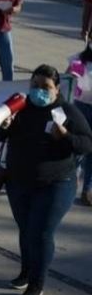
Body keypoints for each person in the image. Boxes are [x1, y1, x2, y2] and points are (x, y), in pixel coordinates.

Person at [0, 64, 92, 295]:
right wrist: (4, 127)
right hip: (19, 182)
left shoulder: (66, 111)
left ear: (57, 89)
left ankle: (37, 284)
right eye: (35, 85)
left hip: (56, 184)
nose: (39, 91)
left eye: (46, 87)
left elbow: (87, 143)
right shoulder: (22, 107)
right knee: (26, 229)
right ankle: (26, 272)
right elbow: (0, 135)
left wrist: (66, 137)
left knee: (41, 233)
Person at [66, 44, 92, 206]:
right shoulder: (81, 59)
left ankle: (87, 190)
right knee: (77, 148)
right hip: (81, 108)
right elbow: (68, 79)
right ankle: (68, 181)